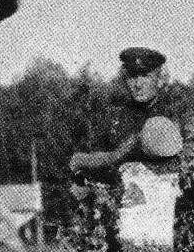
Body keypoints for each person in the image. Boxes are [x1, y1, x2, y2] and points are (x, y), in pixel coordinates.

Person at [70, 46, 180, 176]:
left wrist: (114, 156)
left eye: (145, 76)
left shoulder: (171, 115)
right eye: (132, 76)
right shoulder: (114, 116)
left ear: (160, 79)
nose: (138, 85)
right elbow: (90, 157)